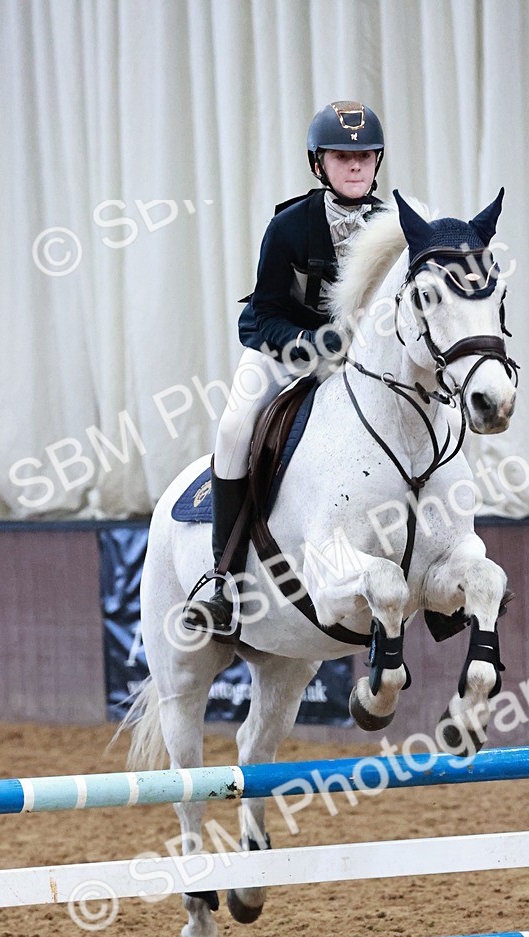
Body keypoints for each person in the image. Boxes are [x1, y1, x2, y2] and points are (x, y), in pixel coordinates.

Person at [197, 100, 386, 632]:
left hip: (359, 362)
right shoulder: (288, 226)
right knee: (235, 426)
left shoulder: (393, 224)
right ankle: (223, 579)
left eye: (365, 156)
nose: (355, 166)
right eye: (342, 155)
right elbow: (266, 310)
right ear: (318, 163)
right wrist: (308, 342)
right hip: (282, 350)